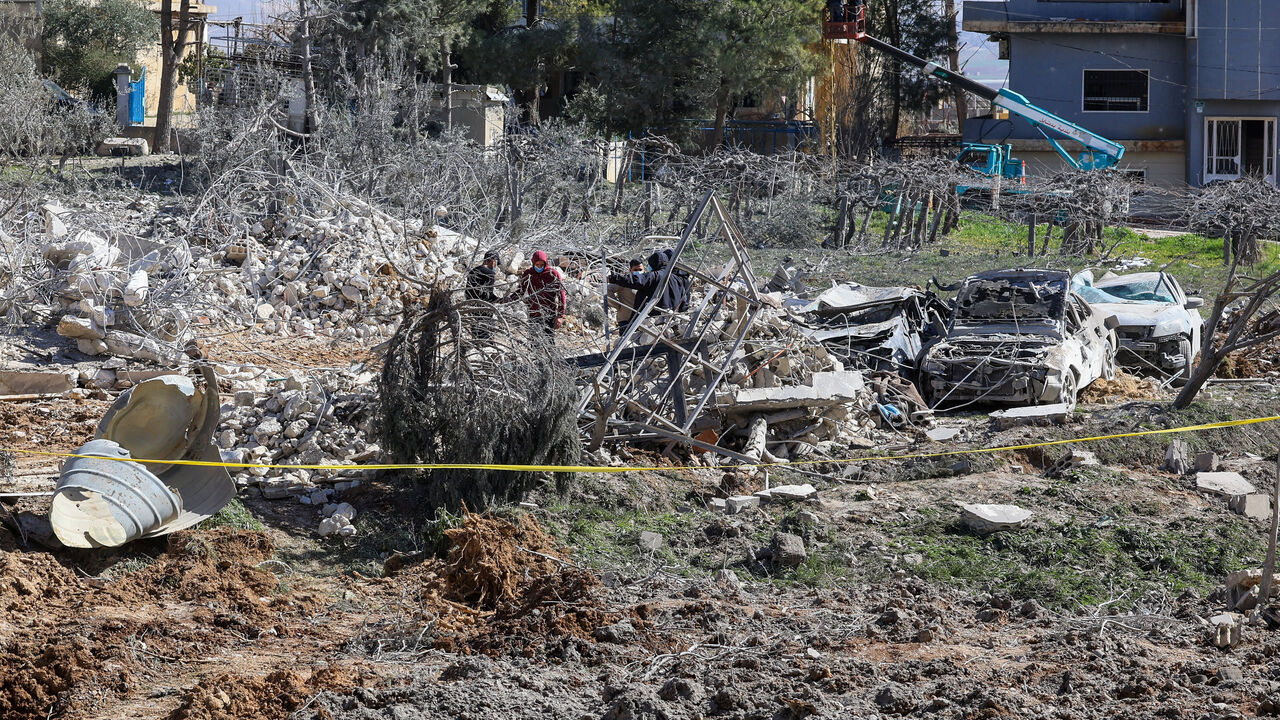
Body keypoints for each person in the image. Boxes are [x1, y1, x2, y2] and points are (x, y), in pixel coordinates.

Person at [607, 249, 691, 331]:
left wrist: (612, 278)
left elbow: (636, 280)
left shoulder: (654, 276)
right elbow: (684, 300)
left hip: (653, 321)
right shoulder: (677, 279)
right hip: (671, 320)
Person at [510, 250, 566, 340]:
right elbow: (521, 291)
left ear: (545, 263)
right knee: (534, 342)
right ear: (533, 263)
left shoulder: (552, 274)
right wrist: (509, 300)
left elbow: (561, 295)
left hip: (549, 314)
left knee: (549, 342)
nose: (539, 267)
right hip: (534, 314)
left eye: (541, 265)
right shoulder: (528, 274)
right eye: (537, 265)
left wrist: (560, 316)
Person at [607, 258, 645, 330]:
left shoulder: (646, 281)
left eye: (640, 270)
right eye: (635, 270)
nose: (638, 272)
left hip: (641, 319)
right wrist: (618, 306)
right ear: (630, 271)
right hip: (626, 319)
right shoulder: (625, 281)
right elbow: (608, 289)